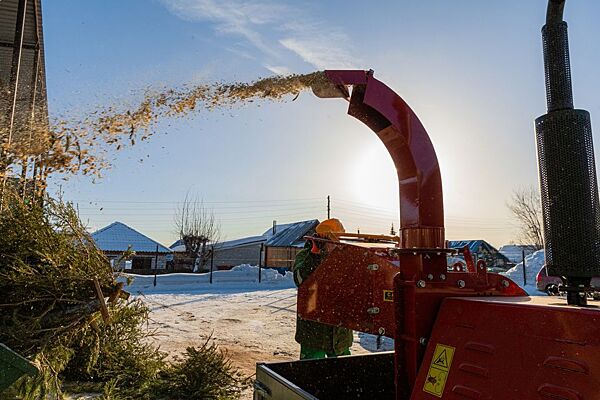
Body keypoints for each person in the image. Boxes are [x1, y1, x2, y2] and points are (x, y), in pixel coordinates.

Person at [291, 218, 353, 360]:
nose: (337, 243)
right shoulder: (306, 256)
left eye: (339, 239)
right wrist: (315, 255)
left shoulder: (345, 257)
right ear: (322, 239)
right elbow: (300, 279)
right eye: (334, 239)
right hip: (313, 331)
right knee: (311, 373)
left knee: (346, 373)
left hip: (340, 331)